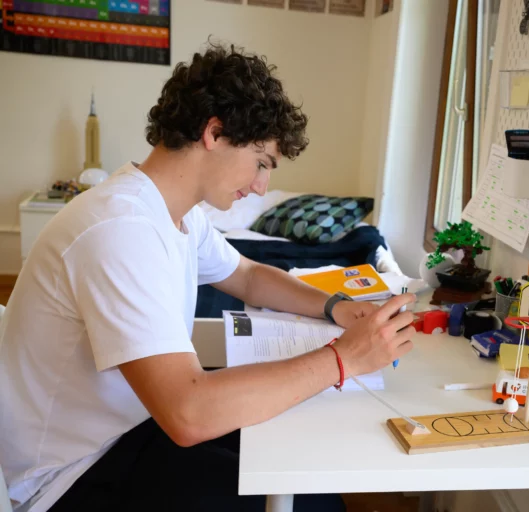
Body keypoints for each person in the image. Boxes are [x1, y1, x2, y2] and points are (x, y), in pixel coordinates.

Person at [0, 42, 416, 512]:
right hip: (67, 479)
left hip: (128, 431)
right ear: (214, 132)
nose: (261, 186)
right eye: (262, 163)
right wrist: (344, 359)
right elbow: (188, 413)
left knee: (303, 475)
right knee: (308, 503)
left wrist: (335, 306)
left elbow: (249, 276)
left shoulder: (172, 212)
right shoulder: (120, 230)